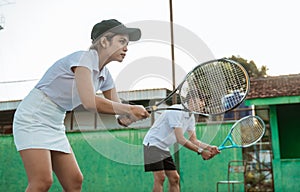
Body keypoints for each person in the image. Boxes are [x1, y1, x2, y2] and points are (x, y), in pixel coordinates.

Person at [13, 19, 150, 192]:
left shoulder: (105, 75)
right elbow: (89, 101)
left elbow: (117, 109)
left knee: (74, 180)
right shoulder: (83, 59)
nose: (126, 48)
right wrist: (130, 109)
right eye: (121, 41)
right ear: (104, 41)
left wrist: (127, 118)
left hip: (55, 122)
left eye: (127, 43)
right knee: (42, 181)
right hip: (33, 116)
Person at [143, 91, 220, 192]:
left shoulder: (191, 117)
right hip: (152, 144)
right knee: (160, 178)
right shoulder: (176, 111)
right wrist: (201, 151)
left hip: (163, 147)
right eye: (201, 100)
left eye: (204, 101)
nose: (203, 103)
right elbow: (180, 139)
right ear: (192, 100)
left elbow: (194, 140)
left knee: (175, 178)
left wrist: (209, 147)